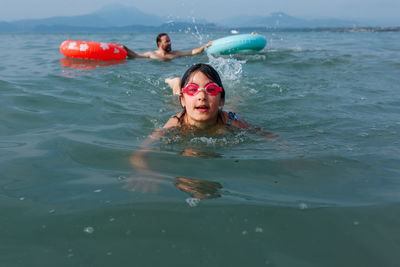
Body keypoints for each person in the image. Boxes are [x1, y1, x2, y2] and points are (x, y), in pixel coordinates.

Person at [163, 63, 250, 130]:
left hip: (219, 113)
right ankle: (176, 83)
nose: (202, 96)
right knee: (176, 104)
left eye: (211, 89)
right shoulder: (176, 123)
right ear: (182, 99)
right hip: (185, 111)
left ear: (222, 100)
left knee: (233, 107)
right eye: (192, 89)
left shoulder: (229, 120)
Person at [121, 33, 213, 61]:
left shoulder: (175, 53)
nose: (170, 43)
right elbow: (135, 55)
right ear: (159, 44)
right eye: (167, 41)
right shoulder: (151, 54)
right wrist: (124, 48)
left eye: (169, 41)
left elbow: (192, 52)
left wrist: (206, 45)